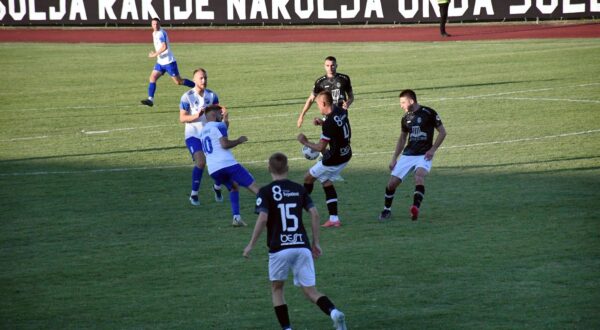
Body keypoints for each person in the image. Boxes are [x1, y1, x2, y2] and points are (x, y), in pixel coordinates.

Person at [243, 152, 347, 330]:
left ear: (269, 169)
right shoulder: (299, 189)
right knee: (310, 290)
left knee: (277, 289)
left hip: (279, 248)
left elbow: (262, 219)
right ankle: (334, 312)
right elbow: (314, 214)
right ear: (288, 169)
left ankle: (287, 328)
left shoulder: (265, 192)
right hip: (301, 246)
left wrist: (251, 244)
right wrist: (316, 243)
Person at [379, 89, 447, 221]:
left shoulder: (429, 113)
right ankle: (387, 210)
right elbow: (402, 139)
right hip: (408, 155)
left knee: (419, 176)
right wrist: (394, 158)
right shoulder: (405, 118)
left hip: (424, 155)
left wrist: (432, 150)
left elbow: (442, 132)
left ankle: (415, 208)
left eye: (403, 102)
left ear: (411, 101)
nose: (401, 105)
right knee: (391, 184)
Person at [297, 91, 351, 228]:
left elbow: (320, 147)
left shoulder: (329, 123)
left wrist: (305, 142)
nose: (318, 108)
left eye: (318, 105)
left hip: (334, 158)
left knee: (308, 178)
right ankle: (334, 219)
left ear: (324, 103)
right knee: (326, 181)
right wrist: (323, 123)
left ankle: (297, 210)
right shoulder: (340, 110)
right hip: (346, 153)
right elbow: (336, 126)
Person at [200, 105, 259, 227]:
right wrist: (239, 140)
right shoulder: (219, 126)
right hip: (228, 164)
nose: (221, 115)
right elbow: (224, 144)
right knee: (253, 186)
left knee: (234, 187)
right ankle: (273, 210)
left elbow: (221, 130)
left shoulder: (203, 131)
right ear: (213, 115)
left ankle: (236, 218)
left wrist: (226, 119)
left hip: (213, 169)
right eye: (219, 113)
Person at [179, 68, 223, 207]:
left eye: (205, 78)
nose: (204, 80)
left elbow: (217, 115)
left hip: (209, 135)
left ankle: (217, 187)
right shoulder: (187, 97)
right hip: (193, 135)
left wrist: (222, 116)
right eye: (201, 78)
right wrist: (196, 116)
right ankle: (194, 194)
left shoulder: (212, 96)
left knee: (219, 163)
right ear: (194, 80)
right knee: (201, 162)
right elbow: (182, 118)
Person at [141, 17, 195, 107]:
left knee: (178, 82)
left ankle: (197, 86)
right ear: (151, 25)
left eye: (157, 24)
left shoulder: (160, 33)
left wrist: (154, 54)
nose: (155, 25)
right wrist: (156, 54)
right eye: (153, 24)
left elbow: (164, 47)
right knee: (152, 78)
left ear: (159, 24)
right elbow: (160, 47)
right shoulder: (154, 33)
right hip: (160, 63)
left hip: (169, 62)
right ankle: (150, 99)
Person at [297, 56, 354, 128]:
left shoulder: (344, 78)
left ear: (336, 66)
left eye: (332, 65)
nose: (330, 68)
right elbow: (311, 99)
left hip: (341, 114)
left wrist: (348, 103)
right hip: (328, 115)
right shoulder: (320, 82)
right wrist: (302, 115)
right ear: (324, 66)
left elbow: (351, 97)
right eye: (327, 65)